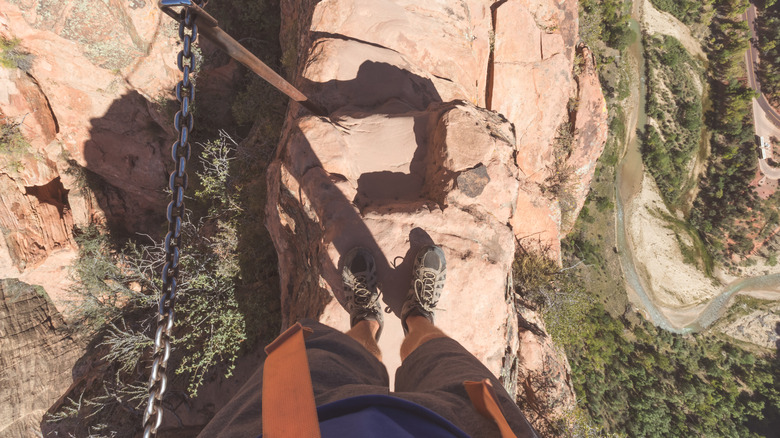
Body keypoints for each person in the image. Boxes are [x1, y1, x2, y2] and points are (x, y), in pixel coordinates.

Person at [198, 245, 538, 437]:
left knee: (335, 358)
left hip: (295, 426)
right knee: (444, 360)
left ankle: (365, 320)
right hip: (468, 429)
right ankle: (417, 317)